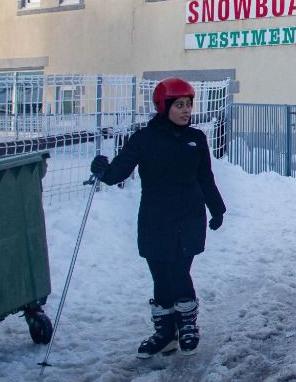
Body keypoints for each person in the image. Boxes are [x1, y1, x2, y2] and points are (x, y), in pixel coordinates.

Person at [90, 77, 226, 358]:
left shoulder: (196, 139)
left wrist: (217, 208)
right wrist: (102, 169)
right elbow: (119, 172)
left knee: (178, 271)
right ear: (164, 107)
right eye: (179, 105)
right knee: (160, 276)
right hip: (155, 218)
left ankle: (187, 325)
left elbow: (205, 177)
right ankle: (165, 333)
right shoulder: (144, 139)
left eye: (189, 104)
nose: (186, 110)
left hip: (189, 216)